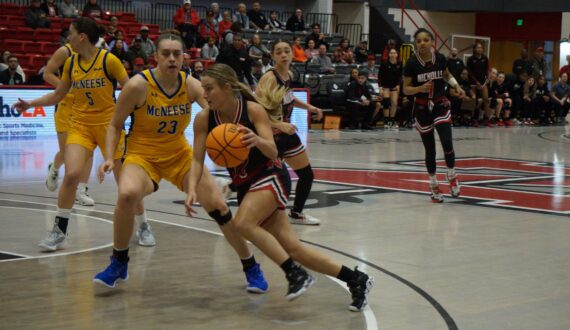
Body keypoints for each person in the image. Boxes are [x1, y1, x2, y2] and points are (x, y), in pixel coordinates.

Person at [187, 63, 374, 311]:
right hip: (246, 184)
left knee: (242, 223)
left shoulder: (253, 110)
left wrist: (256, 140)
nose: (205, 94)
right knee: (293, 248)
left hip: (270, 173)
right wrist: (191, 188)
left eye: (209, 88)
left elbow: (273, 150)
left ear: (227, 87)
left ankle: (295, 274)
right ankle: (356, 279)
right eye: (203, 89)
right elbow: (197, 159)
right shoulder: (203, 119)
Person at [93, 34, 269, 293]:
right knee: (127, 194)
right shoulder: (137, 86)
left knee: (219, 206)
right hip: (143, 156)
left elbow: (218, 106)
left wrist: (255, 125)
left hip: (180, 155)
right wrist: (109, 157)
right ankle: (119, 261)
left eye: (177, 53)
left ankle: (251, 266)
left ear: (184, 56)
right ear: (157, 56)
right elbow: (115, 125)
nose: (172, 58)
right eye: (166, 53)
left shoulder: (191, 84)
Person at [13, 17, 154, 251]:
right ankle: (59, 231)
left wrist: (138, 119)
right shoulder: (70, 63)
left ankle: (143, 225)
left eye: (71, 33)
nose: (68, 38)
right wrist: (30, 103)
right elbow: (57, 95)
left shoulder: (109, 60)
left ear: (82, 37)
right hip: (80, 125)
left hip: (109, 126)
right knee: (71, 175)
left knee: (125, 182)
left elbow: (131, 89)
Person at [257, 40, 323, 225]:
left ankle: (296, 214)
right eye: (279, 52)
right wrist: (279, 124)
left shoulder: (288, 74)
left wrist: (309, 107)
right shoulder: (268, 78)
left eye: (287, 51)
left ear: (292, 54)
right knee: (267, 178)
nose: (283, 54)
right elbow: (255, 113)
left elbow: (289, 98)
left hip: (285, 132)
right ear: (272, 56)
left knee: (306, 175)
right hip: (271, 134)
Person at [403, 28, 464, 203]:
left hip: (439, 103)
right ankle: (433, 184)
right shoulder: (412, 63)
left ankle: (452, 174)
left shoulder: (441, 59)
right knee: (430, 149)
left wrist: (456, 86)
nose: (422, 43)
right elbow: (406, 89)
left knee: (447, 142)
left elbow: (446, 74)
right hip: (421, 108)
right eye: (419, 40)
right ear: (416, 43)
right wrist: (419, 89)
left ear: (432, 42)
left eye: (426, 40)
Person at [41, 42, 96, 207]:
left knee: (88, 150)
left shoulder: (96, 53)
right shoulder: (64, 51)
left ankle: (82, 191)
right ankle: (54, 167)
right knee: (67, 152)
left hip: (84, 106)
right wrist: (65, 88)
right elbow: (47, 74)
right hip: (65, 105)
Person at [467, 42, 492, 126]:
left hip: (483, 83)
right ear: (474, 49)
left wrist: (488, 76)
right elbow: (469, 72)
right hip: (473, 83)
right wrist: (476, 82)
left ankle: (486, 118)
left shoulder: (485, 58)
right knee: (475, 100)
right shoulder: (470, 59)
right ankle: (474, 119)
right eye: (478, 47)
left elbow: (487, 69)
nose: (480, 49)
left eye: (481, 47)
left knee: (486, 99)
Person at [379, 48, 403, 128]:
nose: (393, 54)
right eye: (391, 53)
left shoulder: (400, 63)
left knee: (394, 103)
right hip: (385, 86)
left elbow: (400, 76)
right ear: (389, 55)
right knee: (386, 102)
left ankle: (391, 121)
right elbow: (380, 76)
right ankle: (385, 121)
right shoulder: (384, 63)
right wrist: (380, 87)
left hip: (394, 86)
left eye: (394, 53)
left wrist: (398, 85)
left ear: (397, 54)